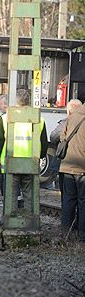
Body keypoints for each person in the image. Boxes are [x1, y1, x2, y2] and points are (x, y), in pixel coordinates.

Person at [0, 89, 48, 211]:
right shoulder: (39, 119)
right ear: (29, 102)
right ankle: (29, 218)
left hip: (10, 161)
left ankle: (9, 218)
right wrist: (40, 156)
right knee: (29, 194)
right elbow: (44, 144)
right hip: (31, 162)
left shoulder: (6, 118)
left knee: (10, 194)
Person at [59, 102, 85, 240]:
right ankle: (82, 235)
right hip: (82, 167)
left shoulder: (72, 116)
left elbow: (62, 136)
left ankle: (65, 233)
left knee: (68, 200)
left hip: (67, 166)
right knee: (83, 201)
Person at [50, 99, 82, 197]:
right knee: (81, 197)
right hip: (81, 166)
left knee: (67, 196)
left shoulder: (65, 123)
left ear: (68, 111)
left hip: (65, 164)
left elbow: (53, 137)